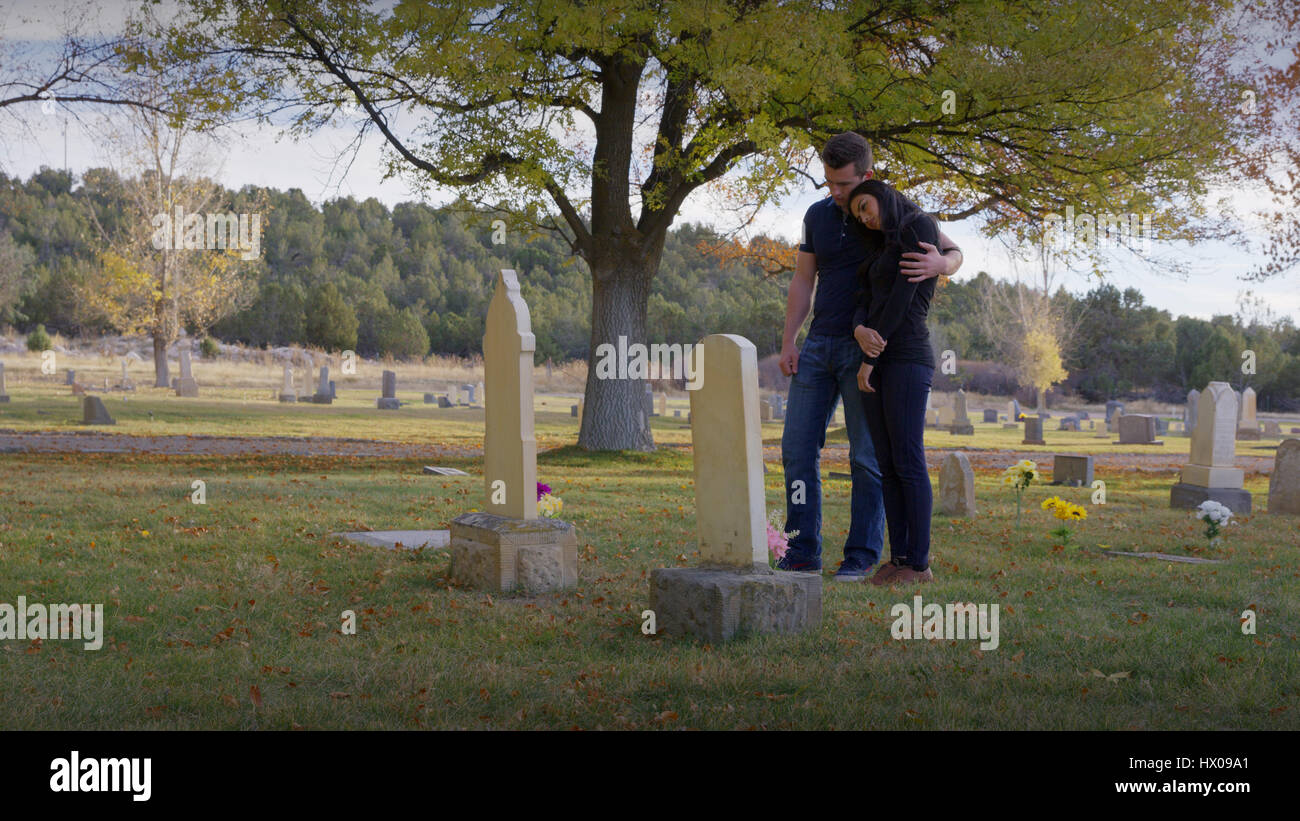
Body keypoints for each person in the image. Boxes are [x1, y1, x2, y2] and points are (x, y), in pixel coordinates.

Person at [778, 133, 962, 580]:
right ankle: (801, 551)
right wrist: (789, 339)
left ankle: (861, 554)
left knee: (867, 457)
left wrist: (943, 265)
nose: (837, 194)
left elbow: (952, 251)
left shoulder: (888, 210)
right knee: (797, 450)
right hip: (820, 345)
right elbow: (804, 280)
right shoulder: (816, 216)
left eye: (844, 184)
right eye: (829, 184)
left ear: (868, 177)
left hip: (872, 350)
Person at [847, 178, 940, 585]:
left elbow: (902, 299)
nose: (865, 217)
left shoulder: (919, 226)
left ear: (881, 195)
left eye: (865, 206)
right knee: (886, 464)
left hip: (904, 357)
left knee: (907, 459)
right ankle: (898, 557)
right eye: (857, 215)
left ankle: (918, 564)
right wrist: (857, 330)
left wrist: (871, 354)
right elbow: (863, 299)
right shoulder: (880, 244)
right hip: (875, 356)